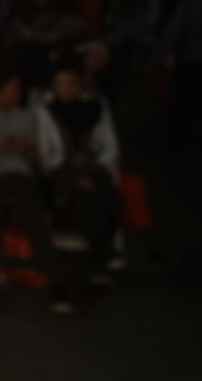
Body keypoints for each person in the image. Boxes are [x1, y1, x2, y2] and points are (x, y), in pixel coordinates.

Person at [0, 70, 68, 313]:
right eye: (12, 89)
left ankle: (57, 285)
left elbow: (39, 158)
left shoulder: (26, 117)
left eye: (19, 90)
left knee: (37, 224)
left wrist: (26, 147)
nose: (17, 95)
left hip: (20, 173)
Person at [32, 66, 121, 275]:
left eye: (71, 83)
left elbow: (110, 146)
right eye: (60, 84)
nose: (66, 89)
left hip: (93, 166)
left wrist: (92, 160)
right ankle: (102, 253)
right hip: (58, 170)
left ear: (79, 85)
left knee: (98, 185)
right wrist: (71, 164)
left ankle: (103, 250)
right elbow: (45, 154)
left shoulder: (95, 109)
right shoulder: (45, 111)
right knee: (89, 189)